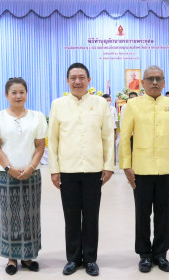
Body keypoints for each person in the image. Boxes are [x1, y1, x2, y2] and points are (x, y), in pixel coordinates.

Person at [120, 66, 169, 274]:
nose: (154, 82)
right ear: (142, 83)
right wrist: (126, 165)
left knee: (163, 213)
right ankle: (144, 254)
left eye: (158, 79)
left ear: (164, 82)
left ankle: (160, 254)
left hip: (166, 169)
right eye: (150, 79)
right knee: (142, 213)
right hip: (140, 169)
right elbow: (124, 138)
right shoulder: (132, 105)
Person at [48, 63, 114, 276]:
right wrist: (54, 169)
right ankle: (73, 258)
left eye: (82, 77)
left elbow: (108, 136)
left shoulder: (100, 104)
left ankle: (91, 259)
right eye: (73, 78)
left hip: (94, 169)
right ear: (67, 81)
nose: (77, 81)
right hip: (67, 170)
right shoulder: (58, 104)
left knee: (92, 216)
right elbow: (53, 139)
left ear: (89, 80)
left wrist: (108, 166)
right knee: (71, 216)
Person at [0, 77, 48, 276]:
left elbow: (40, 145)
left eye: (22, 92)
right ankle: (11, 258)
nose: (18, 96)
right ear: (6, 95)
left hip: (31, 174)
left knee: (30, 216)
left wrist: (31, 167)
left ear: (26, 94)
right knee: (7, 216)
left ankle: (28, 256)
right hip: (5, 175)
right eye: (13, 92)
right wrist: (9, 168)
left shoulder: (37, 117)